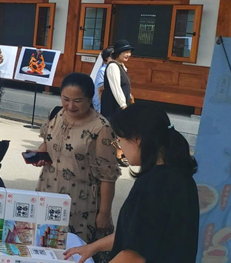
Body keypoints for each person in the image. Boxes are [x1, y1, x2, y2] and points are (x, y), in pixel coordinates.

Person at [64, 103, 199, 263]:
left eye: (120, 140)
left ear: (136, 140)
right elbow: (135, 235)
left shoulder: (154, 185)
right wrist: (93, 247)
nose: (119, 148)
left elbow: (134, 256)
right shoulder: (179, 175)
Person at [31, 73, 120, 262]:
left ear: (90, 99)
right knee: (43, 244)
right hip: (48, 190)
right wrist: (40, 155)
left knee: (73, 252)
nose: (70, 106)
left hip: (81, 203)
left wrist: (104, 213)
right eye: (66, 99)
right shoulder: (57, 114)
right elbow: (47, 142)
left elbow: (108, 176)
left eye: (78, 101)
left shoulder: (101, 128)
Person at [102, 39, 135, 167]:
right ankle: (115, 155)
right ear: (118, 53)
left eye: (129, 52)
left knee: (120, 130)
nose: (128, 55)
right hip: (113, 104)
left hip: (120, 104)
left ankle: (118, 154)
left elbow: (125, 87)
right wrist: (123, 105)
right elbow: (116, 88)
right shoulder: (113, 66)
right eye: (125, 52)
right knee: (114, 129)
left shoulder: (121, 66)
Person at [93, 47, 115, 113]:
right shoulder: (103, 71)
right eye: (113, 56)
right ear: (107, 58)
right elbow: (100, 89)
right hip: (102, 103)